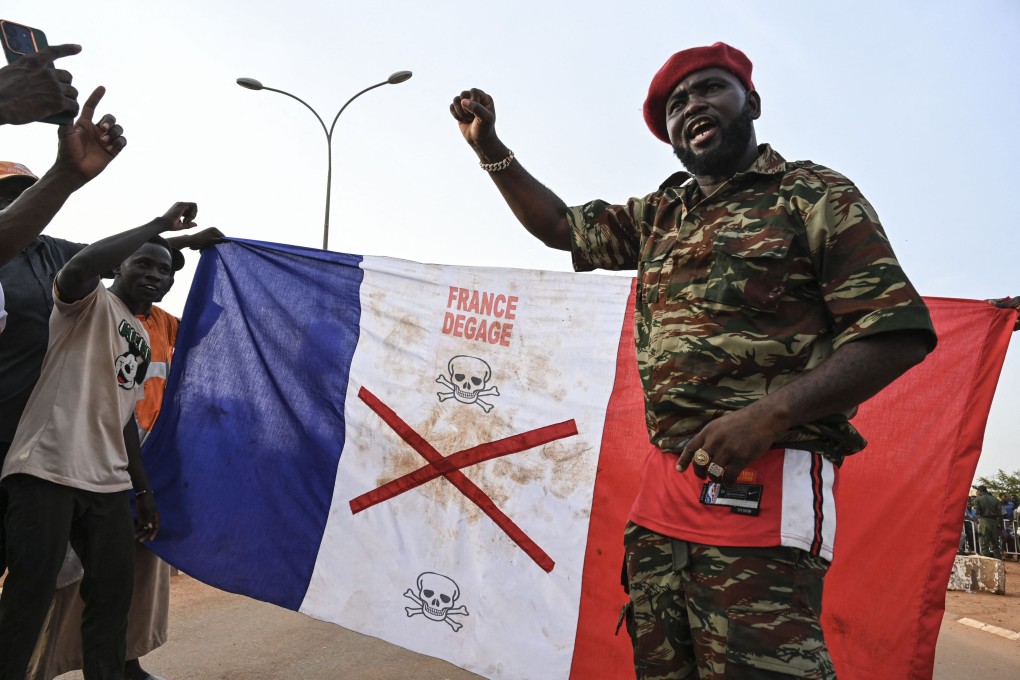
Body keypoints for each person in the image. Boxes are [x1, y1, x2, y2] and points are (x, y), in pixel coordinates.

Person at [451, 42, 936, 679]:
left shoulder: (811, 194)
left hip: (766, 483)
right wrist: (489, 147)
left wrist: (767, 417)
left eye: (709, 89)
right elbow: (562, 226)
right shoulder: (659, 216)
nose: (691, 106)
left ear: (751, 102)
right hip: (665, 498)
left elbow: (896, 333)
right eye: (676, 104)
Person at [0, 202, 198, 680]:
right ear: (119, 266)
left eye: (163, 269)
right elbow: (83, 266)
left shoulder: (140, 334)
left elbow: (123, 415)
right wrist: (159, 227)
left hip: (107, 484)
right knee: (28, 598)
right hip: (46, 469)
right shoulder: (84, 303)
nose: (155, 274)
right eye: (143, 263)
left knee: (112, 601)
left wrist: (143, 489)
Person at [974, 486, 1003, 559]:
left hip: (984, 521)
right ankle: (999, 563)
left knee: (984, 543)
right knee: (995, 544)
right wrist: (1002, 527)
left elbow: (977, 512)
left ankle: (987, 563)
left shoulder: (978, 499)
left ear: (980, 491)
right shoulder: (995, 499)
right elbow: (1000, 514)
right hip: (994, 522)